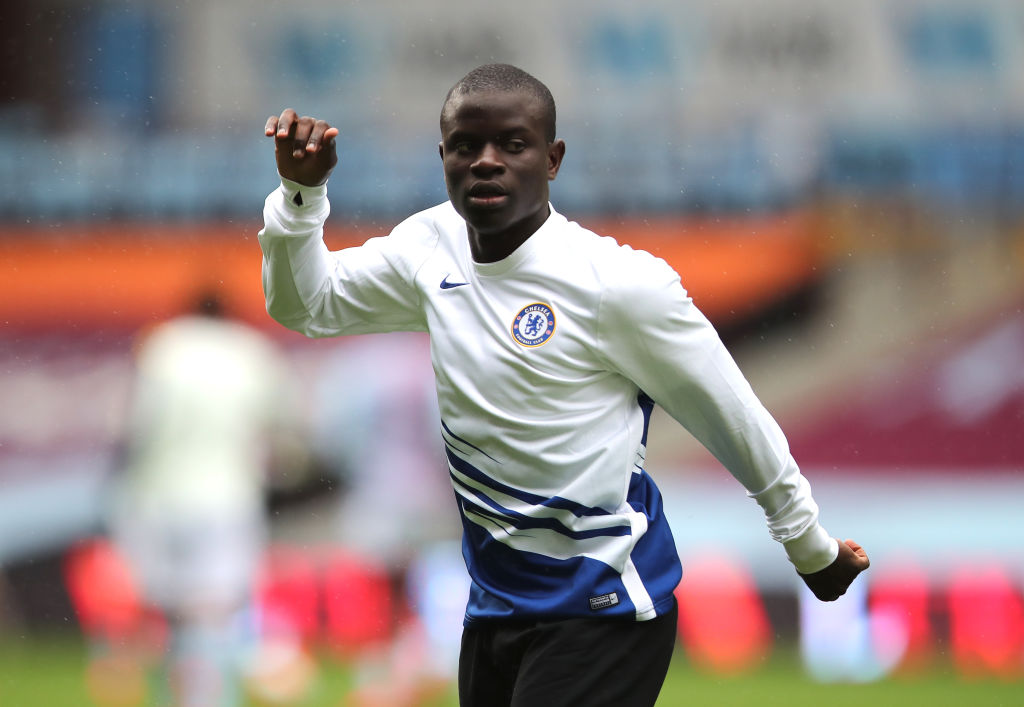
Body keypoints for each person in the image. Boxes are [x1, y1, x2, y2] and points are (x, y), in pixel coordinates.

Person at [258, 63, 869, 706]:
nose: (486, 162)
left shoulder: (618, 285)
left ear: (552, 160)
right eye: (466, 146)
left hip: (603, 607)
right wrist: (300, 198)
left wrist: (809, 546)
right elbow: (308, 306)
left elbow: (732, 416)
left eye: (512, 145)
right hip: (495, 607)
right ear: (443, 158)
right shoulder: (430, 248)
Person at [110, 290, 306, 707]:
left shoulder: (162, 346)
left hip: (157, 496)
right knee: (217, 612)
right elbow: (284, 433)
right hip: (226, 498)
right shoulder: (251, 351)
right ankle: (211, 700)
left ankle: (178, 698)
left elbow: (138, 425)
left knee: (173, 612)